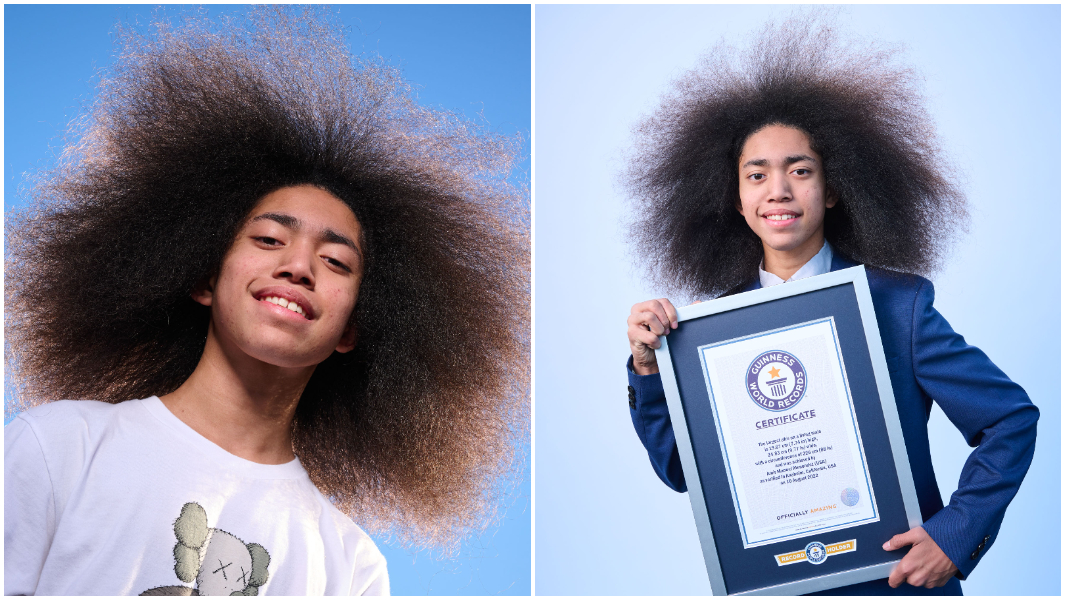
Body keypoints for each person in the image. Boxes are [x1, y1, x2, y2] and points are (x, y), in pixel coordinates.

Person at [4, 7, 529, 596]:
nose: (298, 266)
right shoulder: (57, 449)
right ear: (204, 278)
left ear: (352, 327)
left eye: (336, 262)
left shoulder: (350, 569)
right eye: (270, 239)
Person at [623, 18, 1037, 595]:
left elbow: (1009, 419)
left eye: (800, 170)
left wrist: (954, 536)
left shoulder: (898, 305)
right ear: (737, 199)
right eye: (756, 175)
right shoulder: (709, 335)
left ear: (834, 188)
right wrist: (649, 368)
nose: (778, 190)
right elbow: (681, 472)